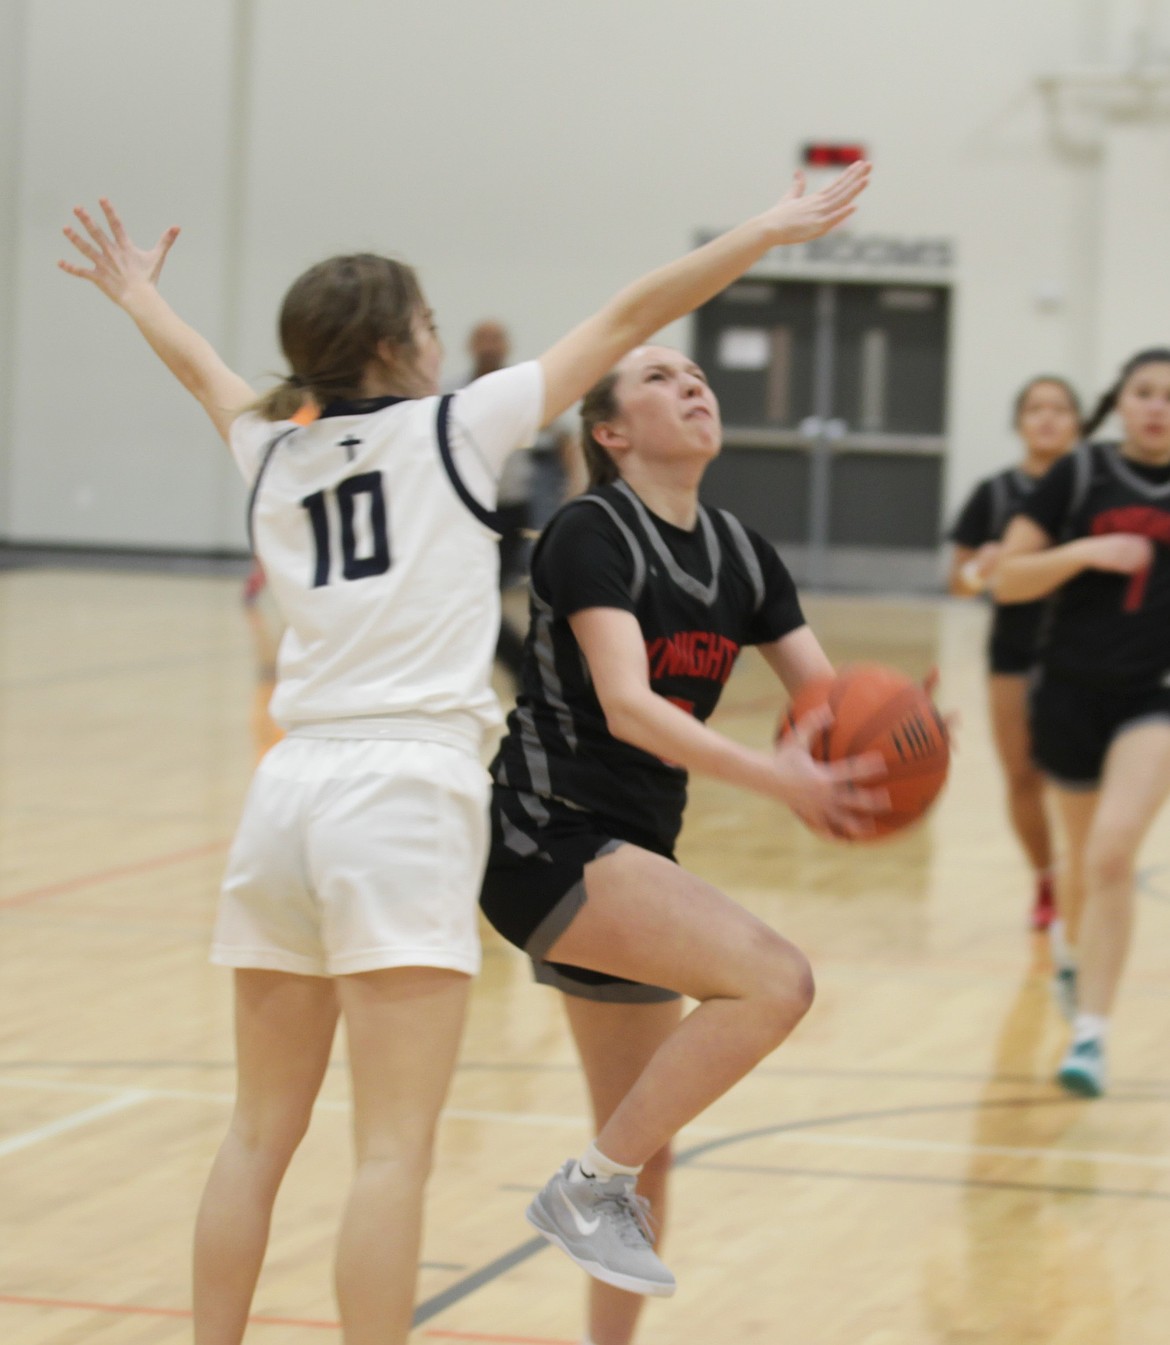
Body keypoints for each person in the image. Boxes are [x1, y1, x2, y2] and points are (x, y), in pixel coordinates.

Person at [57, 161, 871, 1345]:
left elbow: (208, 374)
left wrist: (139, 296)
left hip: (285, 792)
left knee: (254, 1134)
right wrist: (769, 227)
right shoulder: (453, 427)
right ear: (397, 349)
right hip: (403, 797)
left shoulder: (273, 449)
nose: (444, 341)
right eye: (430, 324)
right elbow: (634, 313)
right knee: (392, 1151)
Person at [479, 332, 891, 1336]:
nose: (692, 385)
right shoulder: (589, 531)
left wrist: (906, 730)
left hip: (632, 859)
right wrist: (776, 778)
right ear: (612, 431)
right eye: (660, 377)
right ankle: (581, 1184)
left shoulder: (744, 554)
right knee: (776, 980)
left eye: (696, 374)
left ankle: (598, 1221)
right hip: (549, 839)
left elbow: (828, 704)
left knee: (646, 1145)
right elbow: (626, 703)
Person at [993, 348, 1170, 1098]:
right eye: (1144, 392)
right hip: (1068, 690)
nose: (1158, 407)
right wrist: (1089, 549)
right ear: (1120, 402)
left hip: (1152, 698)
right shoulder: (1079, 474)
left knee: (1110, 853)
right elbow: (1007, 575)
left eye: (1169, 396)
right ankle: (1071, 956)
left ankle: (1092, 1034)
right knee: (1079, 857)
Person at [948, 376, 1082, 931]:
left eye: (1059, 409)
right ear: (1020, 421)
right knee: (1022, 776)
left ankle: (1083, 878)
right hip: (1014, 652)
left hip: (1085, 653)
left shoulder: (1091, 490)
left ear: (1078, 421)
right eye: (1035, 408)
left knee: (1079, 779)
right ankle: (1047, 881)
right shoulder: (995, 493)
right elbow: (958, 581)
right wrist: (983, 566)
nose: (1047, 418)